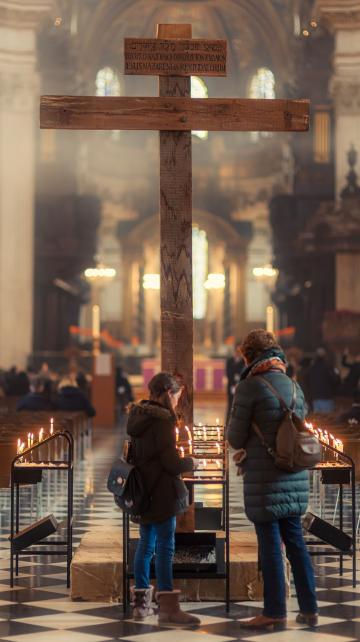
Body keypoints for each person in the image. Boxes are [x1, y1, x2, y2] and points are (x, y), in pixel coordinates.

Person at [227, 329, 317, 630]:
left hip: (265, 480)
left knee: (269, 544)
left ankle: (275, 611)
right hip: (294, 473)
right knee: (296, 541)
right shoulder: (294, 386)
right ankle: (309, 608)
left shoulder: (250, 387)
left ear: (248, 355)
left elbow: (235, 437)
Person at [126, 372, 200, 626]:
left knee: (146, 545)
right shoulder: (163, 421)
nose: (178, 402)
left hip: (142, 491)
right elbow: (170, 463)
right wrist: (192, 462)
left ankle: (140, 606)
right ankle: (168, 609)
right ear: (169, 392)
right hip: (161, 492)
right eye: (178, 396)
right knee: (166, 548)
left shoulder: (138, 416)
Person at [307, 347, 340, 413]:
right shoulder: (329, 368)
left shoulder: (311, 369)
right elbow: (336, 380)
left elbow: (307, 381)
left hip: (315, 398)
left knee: (317, 420)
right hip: (326, 397)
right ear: (325, 356)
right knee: (327, 420)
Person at [225, 340, 245, 421]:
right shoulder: (230, 360)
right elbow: (228, 373)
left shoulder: (244, 361)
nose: (238, 352)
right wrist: (233, 383)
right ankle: (228, 423)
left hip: (241, 386)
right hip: (231, 385)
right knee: (230, 405)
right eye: (237, 350)